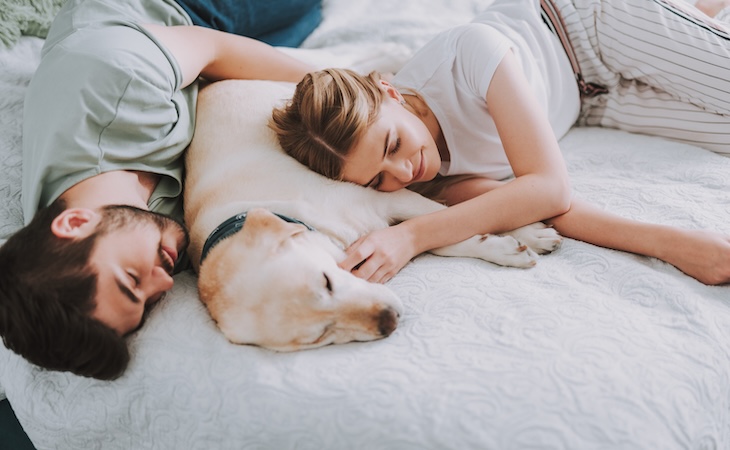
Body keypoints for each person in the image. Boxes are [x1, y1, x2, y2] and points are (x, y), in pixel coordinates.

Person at [271, 0, 730, 287]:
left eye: (392, 145)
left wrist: (411, 235)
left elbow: (549, 187)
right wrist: (678, 245)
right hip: (589, 100)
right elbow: (543, 207)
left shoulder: (468, 51)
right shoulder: (426, 186)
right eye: (376, 179)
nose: (402, 172)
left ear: (390, 90)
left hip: (589, 23)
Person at [0, 0, 317, 379]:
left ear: (74, 223)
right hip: (182, 72)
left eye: (132, 279)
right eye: (148, 303)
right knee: (309, 23)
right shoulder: (128, 234)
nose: (165, 282)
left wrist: (346, 90)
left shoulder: (115, 82)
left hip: (178, 11)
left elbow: (215, 48)